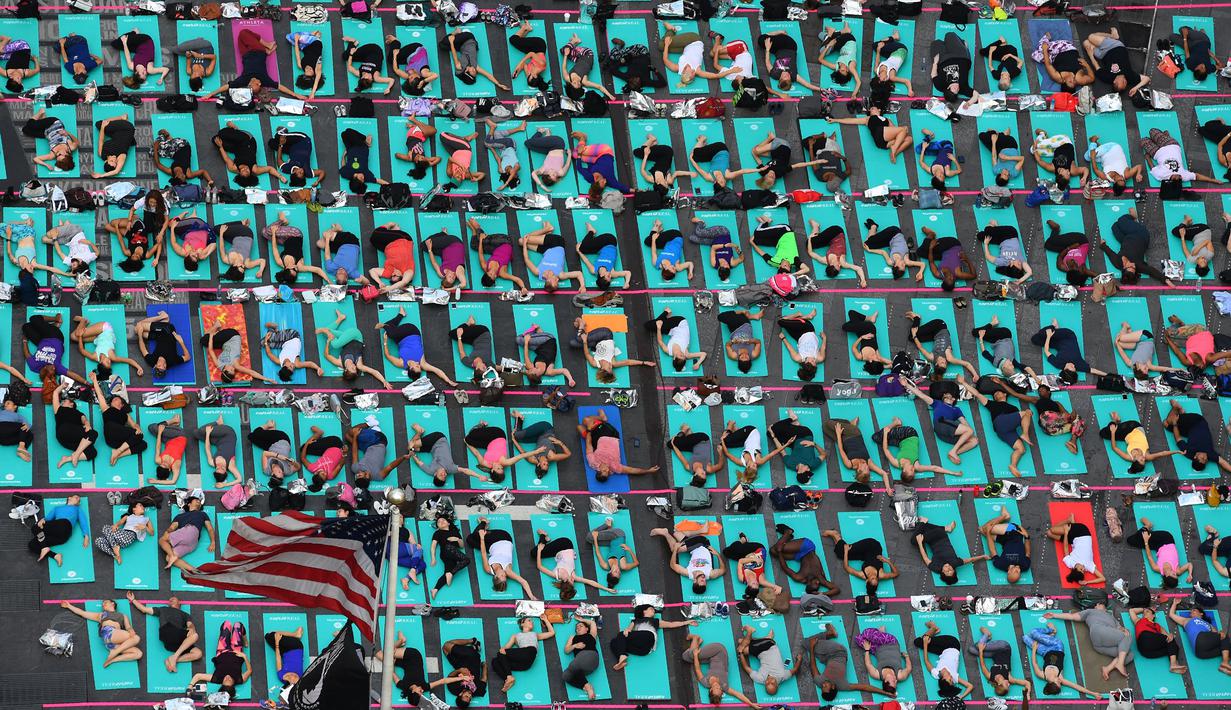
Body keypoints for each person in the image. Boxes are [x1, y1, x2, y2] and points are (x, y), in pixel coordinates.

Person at [957, 375, 1034, 477]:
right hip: (1000, 422)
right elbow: (977, 394)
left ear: (1005, 394)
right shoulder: (992, 404)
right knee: (1027, 412)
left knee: (1021, 449)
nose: (996, 394)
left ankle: (1013, 465)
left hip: (1004, 431)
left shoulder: (1014, 408)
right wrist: (963, 382)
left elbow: (1022, 421)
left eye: (998, 392)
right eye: (994, 395)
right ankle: (1025, 434)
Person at [203, 28, 304, 101]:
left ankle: (267, 49)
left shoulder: (244, 80)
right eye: (254, 84)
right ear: (259, 84)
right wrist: (295, 95)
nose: (250, 83)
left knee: (241, 37)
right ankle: (267, 46)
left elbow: (227, 86)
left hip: (245, 53)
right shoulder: (264, 80)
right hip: (258, 50)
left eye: (250, 85)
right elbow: (280, 86)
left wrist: (211, 94)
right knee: (243, 32)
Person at [811, 623, 896, 700]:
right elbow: (865, 687)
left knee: (809, 644)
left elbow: (813, 666)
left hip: (826, 658)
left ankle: (829, 634)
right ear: (833, 687)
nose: (823, 685)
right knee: (807, 643)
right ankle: (830, 633)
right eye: (825, 687)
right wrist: (885, 693)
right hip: (838, 651)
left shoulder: (820, 682)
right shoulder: (843, 686)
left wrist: (812, 648)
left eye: (822, 688)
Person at [1044, 607, 1134, 681]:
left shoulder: (1113, 618)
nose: (1103, 606)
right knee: (1127, 637)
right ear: (1097, 605)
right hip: (1098, 630)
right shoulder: (1090, 611)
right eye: (1100, 604)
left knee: (1130, 655)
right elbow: (1072, 616)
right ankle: (1120, 663)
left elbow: (1121, 630)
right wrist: (1054, 615)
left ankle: (1107, 668)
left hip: (1098, 646)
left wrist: (1123, 629)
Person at [376, 306, 457, 385]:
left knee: (390, 331)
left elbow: (388, 355)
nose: (419, 365)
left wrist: (385, 341)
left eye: (417, 367)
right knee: (391, 332)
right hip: (411, 331)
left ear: (411, 368)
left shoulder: (401, 363)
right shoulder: (423, 363)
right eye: (419, 367)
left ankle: (400, 315)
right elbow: (437, 371)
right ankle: (386, 325)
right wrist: (448, 381)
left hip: (400, 339)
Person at [1101, 207, 1178, 286]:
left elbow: (1110, 253)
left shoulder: (1117, 263)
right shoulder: (1139, 266)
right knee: (1121, 220)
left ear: (1124, 268)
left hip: (1126, 240)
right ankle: (1134, 217)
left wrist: (1103, 245)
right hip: (1140, 235)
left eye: (1131, 267)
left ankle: (1133, 223)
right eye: (1134, 268)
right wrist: (1165, 280)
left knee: (1115, 226)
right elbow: (1152, 271)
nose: (1134, 265)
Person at [128, 592, 202, 673]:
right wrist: (133, 600)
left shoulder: (185, 614)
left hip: (175, 642)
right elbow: (144, 609)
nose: (171, 600)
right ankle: (174, 657)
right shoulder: (162, 609)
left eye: (173, 599)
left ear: (179, 603)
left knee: (198, 653)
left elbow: (190, 625)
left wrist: (191, 628)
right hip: (167, 630)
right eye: (170, 600)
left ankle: (173, 659)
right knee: (195, 636)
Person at [1022, 622, 1101, 697]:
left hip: (1044, 651)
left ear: (1052, 683)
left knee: (1026, 637)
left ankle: (1050, 633)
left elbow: (1034, 663)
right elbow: (1076, 686)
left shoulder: (1042, 675)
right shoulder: (1060, 678)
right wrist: (1093, 693)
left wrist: (1034, 649)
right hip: (1057, 646)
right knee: (1033, 634)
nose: (1060, 682)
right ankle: (1052, 632)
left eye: (1058, 683)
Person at [578, 409, 659, 481]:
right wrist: (648, 471)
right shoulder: (615, 468)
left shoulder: (593, 462)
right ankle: (602, 419)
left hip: (599, 439)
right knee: (585, 421)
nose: (607, 470)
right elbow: (632, 470)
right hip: (611, 434)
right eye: (608, 473)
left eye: (604, 471)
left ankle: (601, 420)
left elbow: (588, 445)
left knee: (580, 426)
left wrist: (589, 430)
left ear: (599, 470)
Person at [610, 604, 697, 671]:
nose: (653, 611)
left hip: (648, 638)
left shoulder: (655, 621)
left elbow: (671, 624)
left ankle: (622, 656)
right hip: (643, 651)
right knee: (614, 642)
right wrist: (627, 630)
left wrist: (687, 622)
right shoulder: (635, 621)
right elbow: (628, 629)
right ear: (644, 611)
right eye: (651, 609)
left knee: (621, 635)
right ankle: (621, 660)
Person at [874, 418, 959, 486]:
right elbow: (934, 468)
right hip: (910, 434)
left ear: (904, 470)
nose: (913, 469)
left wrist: (885, 433)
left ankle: (896, 424)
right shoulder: (916, 466)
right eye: (913, 471)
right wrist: (952, 472)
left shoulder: (896, 463)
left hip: (903, 438)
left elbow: (886, 450)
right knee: (879, 437)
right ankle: (897, 424)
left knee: (877, 438)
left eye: (911, 470)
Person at [533, 529, 613, 600]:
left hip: (561, 547)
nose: (573, 580)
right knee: (536, 552)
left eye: (571, 580)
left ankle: (543, 535)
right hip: (566, 544)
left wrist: (539, 550)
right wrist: (606, 589)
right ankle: (545, 537)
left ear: (564, 580)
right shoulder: (573, 576)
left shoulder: (556, 575)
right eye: (573, 582)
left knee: (534, 553)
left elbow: (539, 567)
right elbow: (590, 582)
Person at [466, 516, 536, 598]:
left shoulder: (488, 569)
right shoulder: (508, 571)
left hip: (491, 546)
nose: (504, 575)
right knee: (476, 535)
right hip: (503, 537)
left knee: (470, 539)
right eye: (505, 577)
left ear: (496, 576)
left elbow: (483, 553)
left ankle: (484, 525)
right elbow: (523, 582)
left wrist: (482, 538)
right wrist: (532, 596)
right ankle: (484, 522)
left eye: (502, 576)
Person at [684, 633, 760, 708]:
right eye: (720, 689)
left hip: (713, 655)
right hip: (720, 651)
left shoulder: (705, 682)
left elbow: (697, 669)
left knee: (686, 657)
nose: (719, 686)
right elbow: (738, 695)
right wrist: (752, 704)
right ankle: (695, 638)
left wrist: (696, 655)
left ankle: (697, 641)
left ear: (710, 690)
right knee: (690, 655)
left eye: (716, 688)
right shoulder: (724, 686)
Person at [60, 600, 142, 667]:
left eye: (105, 602)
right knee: (136, 638)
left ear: (112, 603)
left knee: (138, 654)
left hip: (112, 643)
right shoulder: (102, 615)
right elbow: (83, 613)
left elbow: (128, 627)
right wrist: (69, 606)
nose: (103, 605)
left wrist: (130, 630)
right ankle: (115, 652)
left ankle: (112, 660)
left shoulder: (123, 616)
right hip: (109, 633)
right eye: (102, 604)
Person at [88, 372, 147, 466]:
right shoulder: (106, 408)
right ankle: (118, 452)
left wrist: (138, 428)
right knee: (133, 434)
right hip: (110, 431)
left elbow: (134, 425)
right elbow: (100, 395)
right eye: (113, 399)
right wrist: (95, 380)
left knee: (143, 443)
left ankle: (118, 454)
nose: (114, 399)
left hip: (116, 442)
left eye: (117, 398)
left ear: (122, 404)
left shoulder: (125, 414)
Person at [1162, 398, 1231, 473]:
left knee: (1166, 423)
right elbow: (1223, 462)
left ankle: (1178, 409)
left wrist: (1175, 423)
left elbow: (1178, 439)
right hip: (1195, 424)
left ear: (1195, 457)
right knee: (1168, 422)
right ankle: (1179, 410)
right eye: (1206, 461)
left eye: (1203, 458)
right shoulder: (1210, 454)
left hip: (1192, 425)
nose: (1206, 458)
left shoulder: (1188, 452)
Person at [651, 527, 726, 595]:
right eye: (705, 582)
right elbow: (723, 570)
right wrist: (718, 555)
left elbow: (672, 565)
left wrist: (676, 550)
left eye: (701, 581)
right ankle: (666, 533)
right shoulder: (711, 574)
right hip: (702, 543)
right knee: (673, 548)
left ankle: (696, 531)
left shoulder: (688, 572)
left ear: (694, 581)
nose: (704, 579)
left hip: (692, 548)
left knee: (676, 534)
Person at [770, 524, 841, 596]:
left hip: (798, 556)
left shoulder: (799, 577)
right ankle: (788, 532)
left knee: (773, 551)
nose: (818, 582)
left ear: (808, 584)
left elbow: (785, 567)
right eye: (818, 585)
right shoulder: (820, 579)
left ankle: (788, 537)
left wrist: (779, 552)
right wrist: (822, 594)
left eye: (815, 584)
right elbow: (836, 589)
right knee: (777, 547)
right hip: (807, 547)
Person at [187, 620, 251, 700]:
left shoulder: (217, 678)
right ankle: (245, 640)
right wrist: (244, 656)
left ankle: (228, 637)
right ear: (233, 684)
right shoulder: (239, 679)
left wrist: (190, 686)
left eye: (225, 680)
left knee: (226, 624)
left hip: (222, 650)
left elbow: (198, 676)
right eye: (230, 680)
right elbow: (249, 671)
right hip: (236, 650)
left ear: (222, 683)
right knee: (238, 625)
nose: (227, 677)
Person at [1125, 515, 1194, 588]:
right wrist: (1190, 574)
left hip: (1157, 546)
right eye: (1176, 575)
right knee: (1140, 535)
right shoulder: (1177, 571)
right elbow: (1189, 564)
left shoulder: (1157, 568)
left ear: (1167, 575)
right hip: (1166, 538)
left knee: (1131, 541)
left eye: (1173, 574)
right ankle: (1148, 525)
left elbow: (1149, 557)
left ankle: (1147, 528)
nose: (1175, 573)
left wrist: (1146, 541)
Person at [1031, 319, 1108, 384]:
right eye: (1074, 368)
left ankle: (1055, 329)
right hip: (1067, 335)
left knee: (1035, 339)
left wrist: (1048, 336)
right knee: (1041, 334)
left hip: (1057, 343)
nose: (1074, 365)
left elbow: (1046, 351)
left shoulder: (1058, 364)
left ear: (1065, 369)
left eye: (1071, 367)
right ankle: (1054, 326)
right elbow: (1093, 370)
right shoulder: (1079, 365)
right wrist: (1107, 375)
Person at [904, 313, 978, 381]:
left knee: (911, 337)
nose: (945, 361)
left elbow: (920, 347)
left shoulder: (931, 357)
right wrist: (975, 375)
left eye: (942, 362)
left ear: (936, 363)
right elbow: (967, 364)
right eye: (945, 364)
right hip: (940, 326)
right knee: (913, 332)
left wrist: (914, 335)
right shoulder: (949, 358)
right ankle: (917, 318)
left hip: (935, 332)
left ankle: (916, 320)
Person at [827, 105, 912, 163]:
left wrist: (903, 131)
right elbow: (851, 120)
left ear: (879, 110)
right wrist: (836, 120)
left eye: (873, 108)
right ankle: (894, 148)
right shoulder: (868, 118)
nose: (871, 109)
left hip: (882, 144)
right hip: (879, 133)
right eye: (870, 109)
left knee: (909, 139)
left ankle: (895, 153)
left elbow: (895, 131)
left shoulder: (887, 120)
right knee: (902, 130)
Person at [1168, 598, 1231, 673]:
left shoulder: (1209, 625)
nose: (1191, 612)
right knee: (1225, 637)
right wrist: (1174, 603)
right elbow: (1171, 614)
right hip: (1200, 639)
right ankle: (1225, 662)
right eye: (1190, 612)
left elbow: (1218, 636)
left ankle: (1224, 668)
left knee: (1227, 647)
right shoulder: (1186, 620)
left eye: (1194, 610)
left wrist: (1220, 633)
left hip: (1200, 653)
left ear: (1201, 613)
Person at [213, 121, 284, 188]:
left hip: (236, 147)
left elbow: (226, 158)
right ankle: (235, 128)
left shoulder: (233, 168)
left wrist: (220, 146)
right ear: (250, 173)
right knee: (222, 133)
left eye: (243, 170)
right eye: (247, 171)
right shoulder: (255, 170)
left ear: (239, 173)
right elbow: (270, 169)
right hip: (247, 140)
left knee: (215, 139)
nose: (245, 168)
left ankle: (235, 133)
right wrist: (280, 176)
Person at [915, 621, 975, 699]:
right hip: (952, 643)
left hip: (942, 651)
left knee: (918, 642)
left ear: (943, 679)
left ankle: (933, 630)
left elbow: (926, 661)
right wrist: (960, 697)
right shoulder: (954, 677)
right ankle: (933, 628)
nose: (951, 678)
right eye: (952, 681)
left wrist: (925, 644)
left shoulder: (936, 674)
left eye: (949, 679)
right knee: (924, 640)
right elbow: (970, 686)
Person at [411, 424, 485, 487]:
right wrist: (479, 476)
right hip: (439, 440)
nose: (444, 474)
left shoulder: (431, 471)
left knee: (411, 447)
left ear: (435, 474)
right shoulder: (451, 468)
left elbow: (419, 462)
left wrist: (412, 454)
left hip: (434, 443)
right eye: (444, 477)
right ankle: (419, 432)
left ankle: (420, 432)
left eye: (441, 475)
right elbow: (465, 470)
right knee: (412, 445)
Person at [1141, 127, 1222, 185]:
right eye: (1180, 178)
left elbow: (1152, 168)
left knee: (1143, 141)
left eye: (1177, 177)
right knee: (1152, 131)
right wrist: (1212, 180)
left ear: (1171, 180)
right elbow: (1197, 176)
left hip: (1156, 153)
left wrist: (1148, 158)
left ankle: (1164, 136)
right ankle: (1166, 136)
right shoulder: (1184, 176)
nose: (1179, 176)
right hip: (1171, 145)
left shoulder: (1160, 176)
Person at [519, 221, 585, 292]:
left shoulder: (537, 272)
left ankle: (547, 229)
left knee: (521, 241)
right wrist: (582, 286)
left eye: (556, 282)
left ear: (548, 280)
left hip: (545, 250)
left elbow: (527, 259)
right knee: (526, 238)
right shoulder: (561, 275)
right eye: (558, 283)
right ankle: (547, 231)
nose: (558, 280)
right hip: (557, 243)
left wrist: (525, 244)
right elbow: (579, 273)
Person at [579, 324, 656, 384]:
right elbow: (628, 362)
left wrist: (585, 341)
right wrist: (644, 362)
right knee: (578, 340)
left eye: (609, 369)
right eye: (611, 369)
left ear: (602, 369)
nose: (611, 367)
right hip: (606, 335)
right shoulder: (613, 363)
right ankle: (581, 325)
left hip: (596, 342)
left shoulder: (595, 363)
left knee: (576, 343)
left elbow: (587, 354)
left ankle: (581, 326)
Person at [659, 22, 727, 87]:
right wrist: (730, 71)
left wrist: (667, 45)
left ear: (684, 72)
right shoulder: (698, 71)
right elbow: (716, 76)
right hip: (695, 40)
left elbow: (665, 60)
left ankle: (671, 30)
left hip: (687, 43)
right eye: (694, 76)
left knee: (662, 46)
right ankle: (671, 30)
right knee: (662, 44)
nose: (694, 73)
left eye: (692, 74)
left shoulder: (678, 68)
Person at [969, 626, 1032, 697]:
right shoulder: (1009, 678)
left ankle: (987, 639)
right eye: (1008, 686)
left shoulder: (990, 677)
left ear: (999, 684)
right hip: (1004, 647)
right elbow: (1027, 683)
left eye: (1006, 685)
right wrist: (1028, 694)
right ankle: (987, 634)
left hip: (994, 654)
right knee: (978, 645)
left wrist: (981, 651)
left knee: (971, 649)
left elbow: (982, 665)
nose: (1009, 684)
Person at [822, 417, 888, 484]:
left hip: (843, 439)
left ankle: (850, 424)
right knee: (828, 423)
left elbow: (841, 449)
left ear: (859, 470)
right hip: (854, 433)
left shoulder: (849, 464)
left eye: (865, 469)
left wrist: (838, 434)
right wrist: (888, 488)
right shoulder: (869, 463)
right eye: (868, 469)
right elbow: (884, 473)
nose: (867, 467)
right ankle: (851, 425)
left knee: (825, 427)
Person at [1084, 28, 1149, 94]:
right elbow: (1146, 78)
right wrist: (1135, 88)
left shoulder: (1108, 78)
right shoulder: (1130, 76)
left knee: (1086, 42)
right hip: (1115, 46)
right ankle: (1113, 36)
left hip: (1102, 55)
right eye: (1125, 83)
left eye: (1123, 82)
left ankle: (1104, 39)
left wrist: (1090, 55)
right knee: (1091, 37)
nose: (1126, 81)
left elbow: (1096, 66)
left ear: (1114, 81)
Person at [769, 412, 828, 486]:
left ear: (799, 472)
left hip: (792, 442)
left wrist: (773, 436)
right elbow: (824, 454)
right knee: (776, 427)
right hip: (804, 434)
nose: (809, 469)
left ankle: (796, 425)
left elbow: (782, 451)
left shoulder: (790, 464)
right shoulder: (813, 464)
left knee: (770, 432)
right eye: (809, 471)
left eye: (807, 471)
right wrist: (814, 444)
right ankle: (793, 418)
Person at [1046, 514, 1107, 586]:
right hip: (1083, 533)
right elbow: (1103, 578)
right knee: (1051, 531)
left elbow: (1065, 547)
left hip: (1077, 535)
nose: (1083, 569)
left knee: (1050, 532)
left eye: (1081, 569)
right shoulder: (1089, 565)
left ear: (1075, 568)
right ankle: (1071, 522)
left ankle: (1069, 521)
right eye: (1083, 571)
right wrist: (1087, 582)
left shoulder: (1070, 563)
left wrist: (1066, 532)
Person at [202, 323, 271, 384]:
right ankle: (217, 329)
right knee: (205, 340)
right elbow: (251, 372)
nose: (233, 368)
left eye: (231, 370)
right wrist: (266, 379)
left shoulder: (219, 364)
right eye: (233, 371)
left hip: (226, 340)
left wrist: (211, 336)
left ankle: (217, 329)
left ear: (224, 370)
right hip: (233, 336)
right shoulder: (236, 365)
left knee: (204, 341)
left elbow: (211, 350)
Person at [979, 505, 1032, 584]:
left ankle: (1004, 518)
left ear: (1009, 572)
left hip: (1003, 540)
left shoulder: (1000, 564)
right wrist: (1027, 537)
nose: (1019, 570)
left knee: (983, 529)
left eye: (1016, 571)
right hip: (1014, 532)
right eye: (1019, 573)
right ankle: (1005, 516)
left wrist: (988, 533)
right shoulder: (1025, 566)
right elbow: (1028, 553)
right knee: (985, 528)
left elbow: (992, 549)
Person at [28, 494, 88, 564]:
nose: (79, 500)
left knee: (35, 527)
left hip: (66, 527)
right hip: (60, 536)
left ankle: (44, 547)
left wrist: (86, 536)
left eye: (79, 500)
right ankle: (55, 555)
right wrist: (42, 520)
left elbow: (83, 521)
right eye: (77, 497)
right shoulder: (57, 508)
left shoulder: (77, 509)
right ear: (69, 497)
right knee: (32, 545)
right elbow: (48, 519)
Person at [509, 410, 570, 478]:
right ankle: (518, 416)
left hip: (538, 438)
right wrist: (560, 443)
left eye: (544, 464)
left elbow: (523, 452)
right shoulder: (552, 456)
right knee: (517, 434)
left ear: (538, 464)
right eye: (547, 465)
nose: (547, 463)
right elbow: (568, 454)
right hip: (546, 429)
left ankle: (520, 418)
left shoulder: (533, 459)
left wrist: (513, 440)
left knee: (516, 437)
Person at [443, 28, 509, 90]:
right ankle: (459, 32)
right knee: (444, 43)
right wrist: (499, 84)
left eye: (472, 71)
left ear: (466, 71)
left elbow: (454, 55)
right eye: (475, 72)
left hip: (461, 46)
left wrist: (451, 42)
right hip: (469, 39)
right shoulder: (476, 67)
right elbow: (488, 75)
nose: (474, 70)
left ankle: (457, 32)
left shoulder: (459, 67)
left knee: (443, 45)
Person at [1127, 607, 1187, 675]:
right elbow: (1131, 610)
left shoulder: (1158, 626)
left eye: (1147, 612)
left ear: (1153, 615)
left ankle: (1173, 665)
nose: (1144, 614)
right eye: (1143, 613)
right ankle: (1173, 662)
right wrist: (1144, 609)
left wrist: (1169, 636)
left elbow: (1168, 637)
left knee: (1173, 643)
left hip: (1148, 653)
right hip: (1144, 640)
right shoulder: (1138, 621)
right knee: (1167, 639)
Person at [854, 626, 913, 694]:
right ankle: (881, 633)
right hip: (890, 642)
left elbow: (868, 664)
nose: (896, 681)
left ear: (885, 681)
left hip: (876, 649)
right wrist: (906, 656)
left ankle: (880, 634)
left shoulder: (877, 674)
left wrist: (867, 650)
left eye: (893, 682)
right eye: (896, 683)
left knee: (858, 639)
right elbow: (909, 669)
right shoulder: (900, 676)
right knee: (866, 633)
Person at [572, 130, 630, 198]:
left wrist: (579, 154)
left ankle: (582, 139)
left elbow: (579, 168)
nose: (605, 182)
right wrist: (635, 190)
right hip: (605, 151)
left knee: (575, 155)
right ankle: (583, 138)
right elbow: (622, 187)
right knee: (580, 151)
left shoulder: (590, 177)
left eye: (602, 182)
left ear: (596, 181)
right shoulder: (610, 181)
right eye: (604, 185)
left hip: (595, 158)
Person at [647, 307, 706, 372]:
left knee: (650, 326)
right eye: (683, 356)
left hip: (672, 331)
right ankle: (667, 312)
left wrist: (658, 328)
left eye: (680, 355)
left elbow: (660, 341)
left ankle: (666, 318)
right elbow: (703, 354)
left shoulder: (668, 351)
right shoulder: (686, 354)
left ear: (674, 358)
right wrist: (698, 363)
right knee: (651, 325)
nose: (682, 354)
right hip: (680, 322)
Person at [576, 223, 633, 290]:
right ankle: (591, 232)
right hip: (610, 241)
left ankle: (592, 231)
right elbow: (627, 273)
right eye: (610, 278)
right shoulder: (612, 273)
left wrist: (578, 251)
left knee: (582, 249)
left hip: (601, 247)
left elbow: (586, 261)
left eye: (608, 276)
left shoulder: (594, 270)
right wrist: (627, 283)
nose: (610, 276)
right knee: (584, 246)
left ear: (601, 275)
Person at [688, 136, 756, 191]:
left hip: (714, 156)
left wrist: (691, 159)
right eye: (724, 182)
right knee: (695, 153)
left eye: (721, 182)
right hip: (721, 148)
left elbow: (698, 168)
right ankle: (702, 139)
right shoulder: (728, 175)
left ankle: (702, 145)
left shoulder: (709, 177)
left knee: (695, 158)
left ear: (715, 182)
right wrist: (758, 170)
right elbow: (743, 171)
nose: (724, 181)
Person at [587, 517, 639, 590]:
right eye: (619, 573)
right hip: (618, 535)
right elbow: (636, 563)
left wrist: (595, 538)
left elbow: (598, 553)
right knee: (589, 537)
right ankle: (607, 524)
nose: (618, 570)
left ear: (609, 571)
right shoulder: (623, 566)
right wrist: (629, 549)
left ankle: (608, 528)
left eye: (615, 571)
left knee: (590, 540)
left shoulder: (605, 566)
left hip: (611, 542)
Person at [920, 227, 977, 291]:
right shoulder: (958, 273)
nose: (952, 277)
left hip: (943, 252)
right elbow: (973, 275)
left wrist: (931, 248)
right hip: (953, 244)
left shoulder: (938, 274)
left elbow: (931, 262)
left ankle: (931, 235)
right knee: (926, 246)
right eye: (953, 280)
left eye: (949, 279)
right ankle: (932, 234)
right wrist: (967, 260)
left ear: (944, 280)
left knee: (920, 252)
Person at [427, 517, 471, 599]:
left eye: (443, 520)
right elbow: (433, 546)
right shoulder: (438, 533)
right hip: (446, 550)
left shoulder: (455, 532)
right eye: (439, 522)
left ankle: (435, 589)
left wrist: (457, 539)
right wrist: (433, 558)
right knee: (466, 560)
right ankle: (451, 573)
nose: (441, 522)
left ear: (448, 523)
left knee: (447, 572)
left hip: (453, 554)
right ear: (438, 526)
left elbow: (461, 546)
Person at [23, 107, 78, 173]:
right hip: (53, 123)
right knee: (30, 124)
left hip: (46, 133)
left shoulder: (52, 155)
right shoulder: (70, 147)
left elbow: (36, 159)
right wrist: (67, 133)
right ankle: (41, 112)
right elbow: (77, 142)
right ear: (66, 155)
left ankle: (43, 118)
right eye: (59, 155)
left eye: (57, 157)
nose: (57, 154)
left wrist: (46, 165)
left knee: (25, 130)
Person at [560, 618, 602, 699]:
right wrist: (574, 646)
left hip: (591, 657)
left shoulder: (591, 635)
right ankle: (584, 687)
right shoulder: (573, 637)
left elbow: (592, 623)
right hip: (581, 667)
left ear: (587, 629)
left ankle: (587, 686)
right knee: (565, 675)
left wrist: (581, 619)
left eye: (581, 626)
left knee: (573, 665)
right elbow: (566, 650)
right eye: (577, 627)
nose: (578, 627)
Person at [248, 419, 299, 485]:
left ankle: (270, 428)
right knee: (257, 433)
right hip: (282, 439)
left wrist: (278, 456)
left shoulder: (267, 470)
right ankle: (270, 427)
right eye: (282, 474)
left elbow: (264, 453)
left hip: (270, 446)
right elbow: (298, 467)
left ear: (272, 473)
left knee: (251, 436)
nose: (282, 472)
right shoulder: (287, 471)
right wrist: (294, 462)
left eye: (279, 472)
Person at [843, 308, 893, 375]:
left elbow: (853, 347)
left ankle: (869, 318)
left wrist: (862, 337)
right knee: (851, 314)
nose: (878, 359)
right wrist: (886, 366)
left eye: (876, 360)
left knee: (847, 324)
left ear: (871, 361)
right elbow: (891, 363)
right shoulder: (878, 356)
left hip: (860, 333)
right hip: (869, 328)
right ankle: (869, 319)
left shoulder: (860, 356)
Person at [715, 309, 764, 375]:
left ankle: (748, 316)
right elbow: (758, 342)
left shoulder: (734, 355)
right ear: (749, 359)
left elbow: (727, 345)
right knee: (728, 317)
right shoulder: (754, 354)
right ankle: (746, 315)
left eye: (742, 357)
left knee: (720, 317)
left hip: (733, 330)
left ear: (739, 359)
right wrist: (750, 340)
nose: (744, 355)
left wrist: (733, 342)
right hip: (745, 325)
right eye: (746, 357)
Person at [394, 115, 443, 181]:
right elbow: (439, 158)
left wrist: (408, 154)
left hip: (413, 135)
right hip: (421, 138)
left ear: (416, 161)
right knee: (433, 130)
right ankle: (413, 126)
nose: (423, 157)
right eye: (424, 158)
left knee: (432, 130)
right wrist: (430, 164)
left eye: (421, 158)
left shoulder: (410, 158)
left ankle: (413, 120)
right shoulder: (425, 160)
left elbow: (396, 155)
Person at [868, 29, 914, 99]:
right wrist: (910, 90)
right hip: (900, 49)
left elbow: (877, 60)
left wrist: (878, 50)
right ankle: (894, 37)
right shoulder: (891, 76)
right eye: (884, 81)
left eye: (880, 80)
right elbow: (907, 81)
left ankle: (892, 39)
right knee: (877, 44)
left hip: (892, 54)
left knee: (876, 46)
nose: (884, 79)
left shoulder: (876, 70)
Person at [931, 32, 974, 103]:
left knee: (935, 43)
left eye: (954, 88)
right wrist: (966, 49)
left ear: (948, 88)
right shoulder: (963, 88)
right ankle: (962, 45)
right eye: (957, 90)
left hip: (943, 59)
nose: (957, 88)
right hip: (959, 56)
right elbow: (976, 95)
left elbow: (933, 75)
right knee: (949, 35)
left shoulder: (940, 85)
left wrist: (935, 62)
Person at [817, 23, 861, 93]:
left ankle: (833, 34)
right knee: (822, 49)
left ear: (838, 70)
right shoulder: (851, 66)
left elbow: (820, 59)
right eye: (846, 71)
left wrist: (828, 46)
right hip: (848, 39)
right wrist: (854, 94)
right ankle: (843, 31)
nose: (846, 69)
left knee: (821, 35)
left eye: (842, 70)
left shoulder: (836, 66)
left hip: (841, 47)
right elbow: (858, 82)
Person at [526, 126, 573, 190]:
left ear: (547, 175)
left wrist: (541, 186)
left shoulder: (543, 170)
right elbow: (567, 164)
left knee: (528, 145)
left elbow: (533, 173)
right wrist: (569, 154)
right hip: (558, 143)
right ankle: (541, 132)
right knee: (529, 142)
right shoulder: (561, 173)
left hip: (549, 149)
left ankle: (547, 136)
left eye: (553, 175)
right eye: (556, 177)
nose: (555, 174)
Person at [91, 113, 137, 179]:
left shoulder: (101, 154)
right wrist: (101, 175)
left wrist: (103, 127)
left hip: (117, 134)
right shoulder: (121, 157)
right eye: (115, 162)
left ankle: (121, 118)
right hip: (127, 129)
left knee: (99, 124)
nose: (114, 159)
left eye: (112, 161)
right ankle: (123, 118)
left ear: (106, 161)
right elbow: (116, 171)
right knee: (102, 125)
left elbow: (101, 140)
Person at [285, 30, 325, 99]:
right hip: (315, 42)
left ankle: (310, 35)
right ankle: (313, 35)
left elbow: (297, 54)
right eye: (310, 70)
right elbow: (316, 82)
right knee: (298, 37)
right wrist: (312, 93)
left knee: (289, 38)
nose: (308, 68)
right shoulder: (317, 67)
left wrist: (296, 41)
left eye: (307, 70)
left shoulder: (300, 65)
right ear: (314, 73)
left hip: (304, 47)